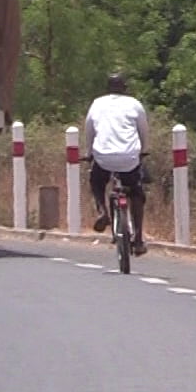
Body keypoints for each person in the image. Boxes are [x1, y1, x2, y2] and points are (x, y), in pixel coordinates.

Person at [83, 71, 151, 255]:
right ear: (125, 88)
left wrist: (89, 153)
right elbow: (143, 130)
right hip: (129, 158)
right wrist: (144, 151)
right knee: (136, 192)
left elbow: (89, 130)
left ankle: (102, 211)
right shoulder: (134, 104)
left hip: (103, 158)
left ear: (108, 89)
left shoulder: (97, 103)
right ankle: (137, 240)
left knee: (96, 182)